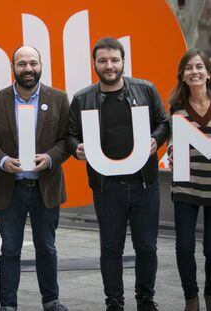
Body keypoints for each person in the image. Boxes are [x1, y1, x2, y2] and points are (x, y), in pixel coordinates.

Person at [66, 37, 170, 311]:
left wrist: (155, 140)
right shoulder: (82, 98)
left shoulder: (145, 90)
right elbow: (70, 134)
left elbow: (164, 122)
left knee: (147, 247)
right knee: (111, 249)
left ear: (124, 61)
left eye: (114, 60)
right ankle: (114, 302)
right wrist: (76, 147)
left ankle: (145, 300)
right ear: (94, 64)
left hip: (144, 185)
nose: (109, 65)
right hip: (106, 187)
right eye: (103, 61)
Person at [0, 45, 70, 311]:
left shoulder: (58, 98)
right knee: (9, 250)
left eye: (33, 63)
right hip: (11, 188)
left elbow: (67, 140)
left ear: (41, 65)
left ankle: (51, 301)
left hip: (46, 187)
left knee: (47, 248)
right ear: (12, 68)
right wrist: (4, 161)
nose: (28, 69)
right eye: (22, 64)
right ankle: (8, 305)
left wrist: (51, 157)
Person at [168, 49, 211, 311]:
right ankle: (191, 298)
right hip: (186, 184)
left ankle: (210, 295)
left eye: (199, 67)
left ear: (208, 73)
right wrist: (172, 152)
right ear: (183, 77)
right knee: (184, 246)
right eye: (188, 68)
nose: (194, 72)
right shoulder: (177, 109)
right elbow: (174, 140)